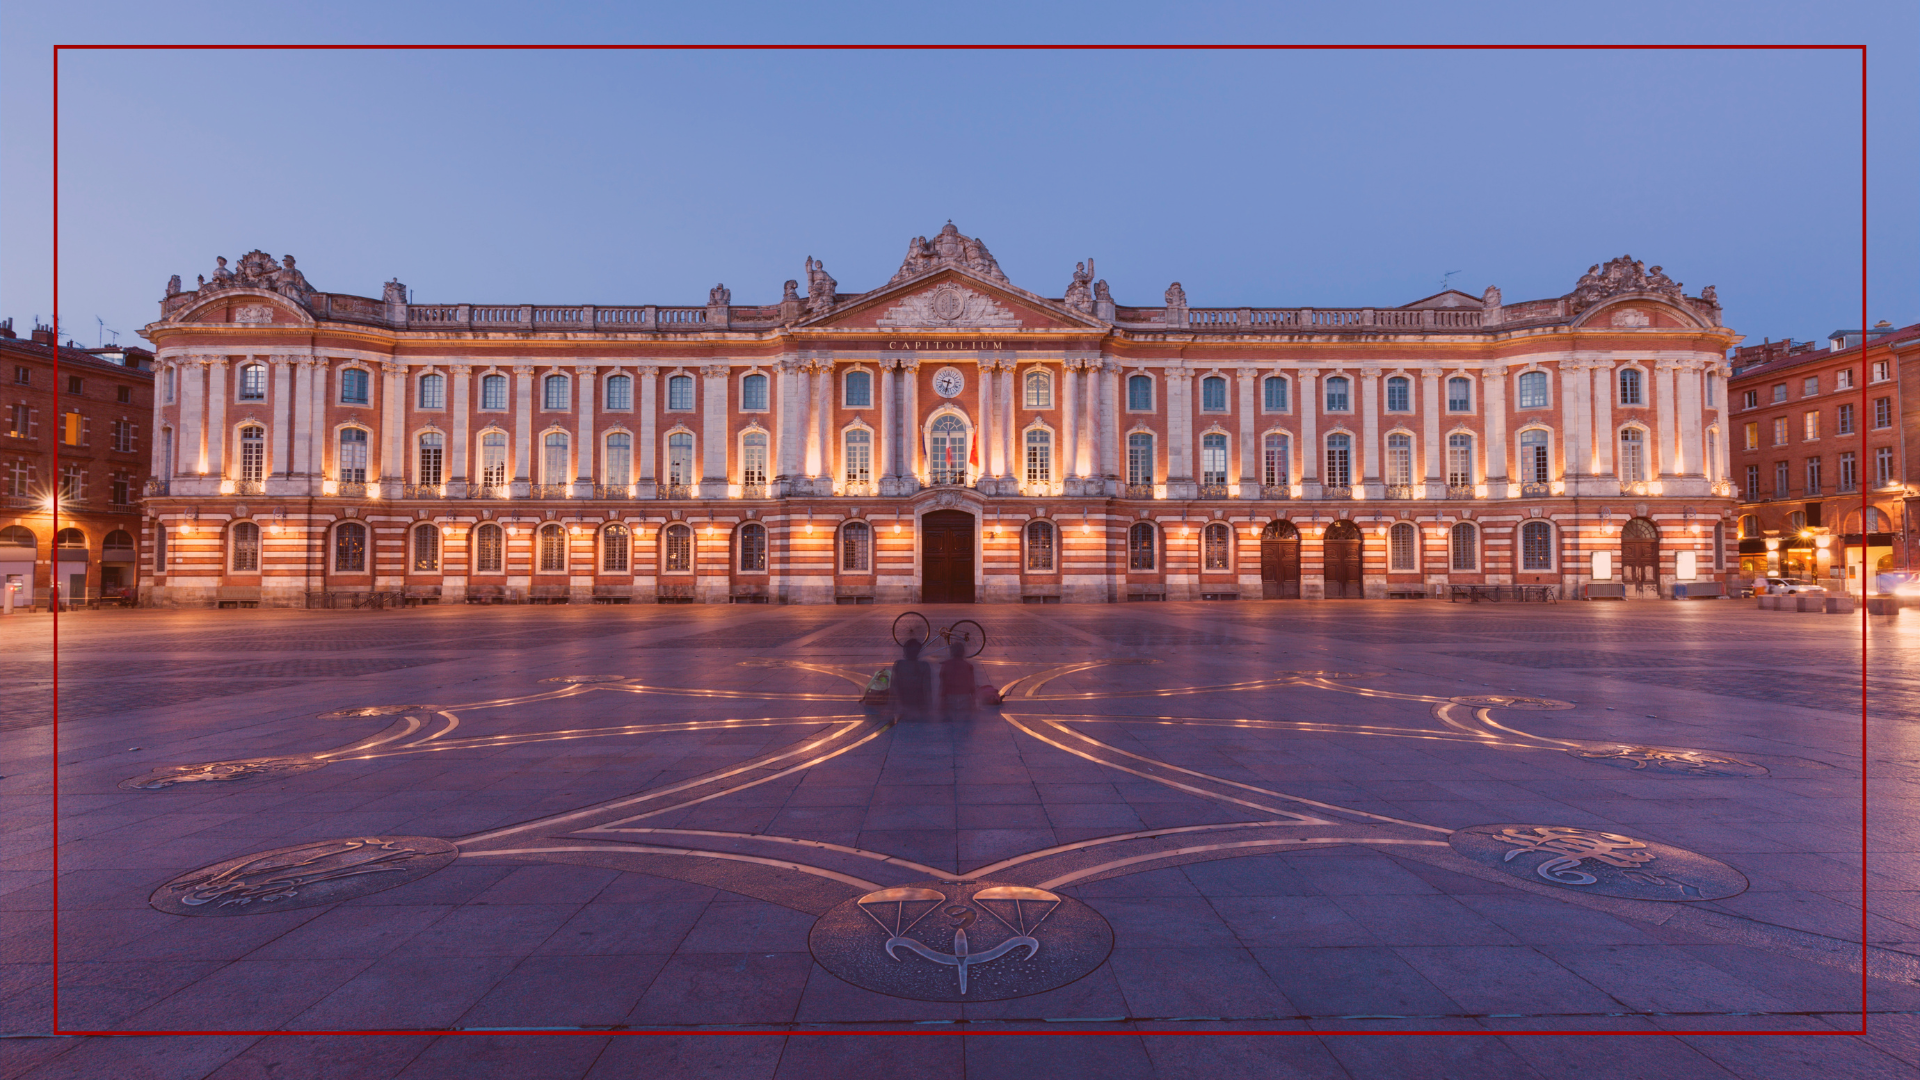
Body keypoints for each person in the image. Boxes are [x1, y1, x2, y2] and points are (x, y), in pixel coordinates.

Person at [890, 636, 932, 722]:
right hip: (918, 705)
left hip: (904, 704)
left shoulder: (899, 664)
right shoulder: (924, 666)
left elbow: (894, 686)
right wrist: (928, 708)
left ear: (905, 651)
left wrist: (891, 706)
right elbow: (927, 688)